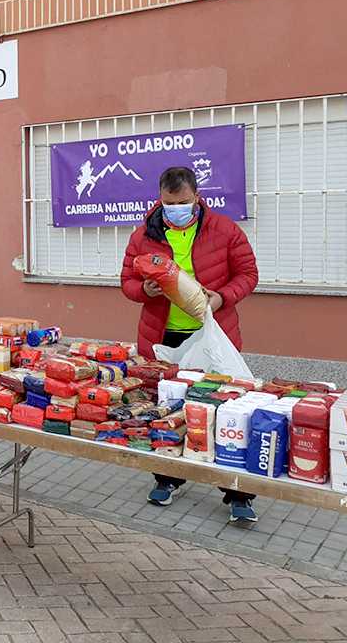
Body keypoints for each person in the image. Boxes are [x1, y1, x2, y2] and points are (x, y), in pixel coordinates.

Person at [121, 167, 259, 523]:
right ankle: (167, 478)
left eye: (183, 203)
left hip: (214, 337)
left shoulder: (225, 230)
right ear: (160, 199)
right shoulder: (144, 235)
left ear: (197, 197)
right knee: (167, 409)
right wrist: (143, 291)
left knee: (224, 410)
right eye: (169, 204)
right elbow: (126, 281)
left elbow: (248, 274)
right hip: (163, 338)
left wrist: (223, 297)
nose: (176, 209)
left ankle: (238, 493)